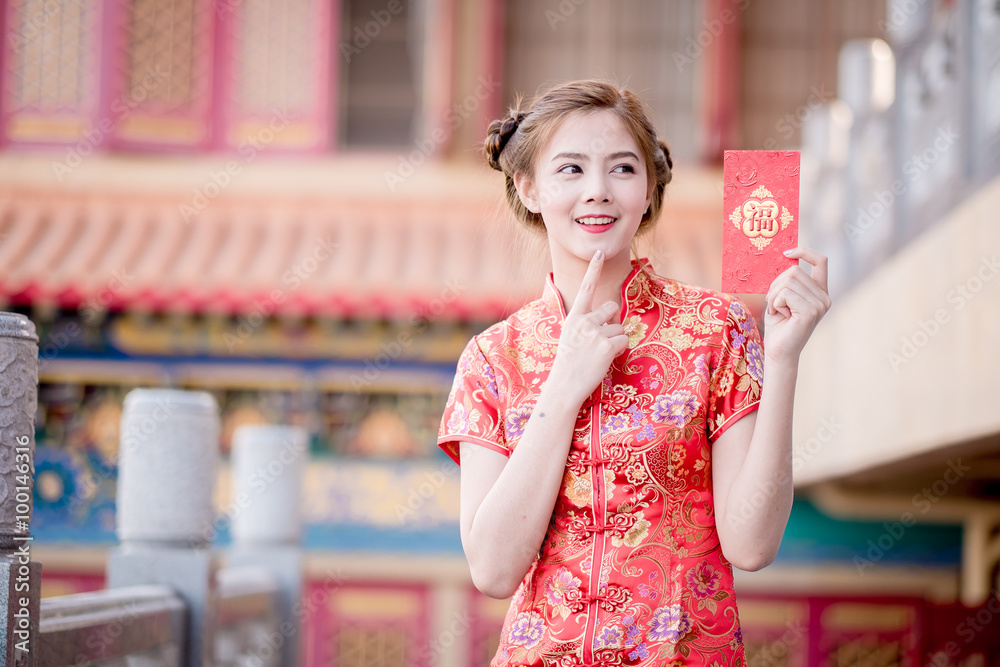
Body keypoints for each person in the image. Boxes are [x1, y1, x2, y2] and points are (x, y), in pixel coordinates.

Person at [437, 80, 830, 666]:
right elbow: (493, 569)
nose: (598, 192)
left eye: (622, 169)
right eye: (570, 170)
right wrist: (564, 388)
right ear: (529, 188)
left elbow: (751, 545)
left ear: (648, 190)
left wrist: (783, 356)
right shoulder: (495, 357)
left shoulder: (714, 330)